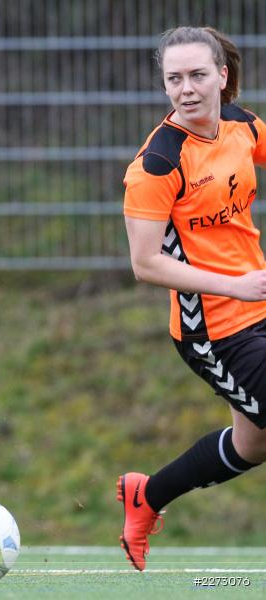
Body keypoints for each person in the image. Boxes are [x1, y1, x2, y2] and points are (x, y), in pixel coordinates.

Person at [120, 26, 266, 571]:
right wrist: (236, 285)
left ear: (222, 77)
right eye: (174, 78)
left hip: (260, 307)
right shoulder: (157, 164)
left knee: (253, 445)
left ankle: (148, 495)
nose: (187, 89)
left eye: (198, 75)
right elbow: (145, 264)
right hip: (215, 332)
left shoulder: (242, 126)